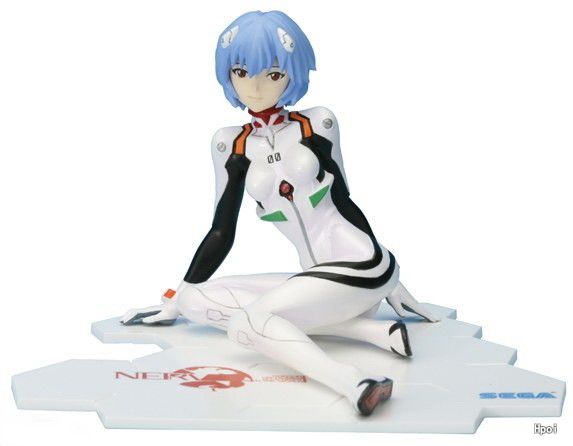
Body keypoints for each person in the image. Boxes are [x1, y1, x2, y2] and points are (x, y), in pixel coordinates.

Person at [121, 10, 439, 416]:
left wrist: (390, 281)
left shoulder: (317, 124)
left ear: (293, 73)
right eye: (241, 72)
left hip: (359, 266)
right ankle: (372, 333)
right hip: (316, 281)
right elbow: (221, 230)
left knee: (247, 324)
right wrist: (175, 298)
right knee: (193, 300)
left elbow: (345, 201)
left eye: (272, 74)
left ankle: (353, 382)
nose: (254, 87)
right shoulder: (230, 144)